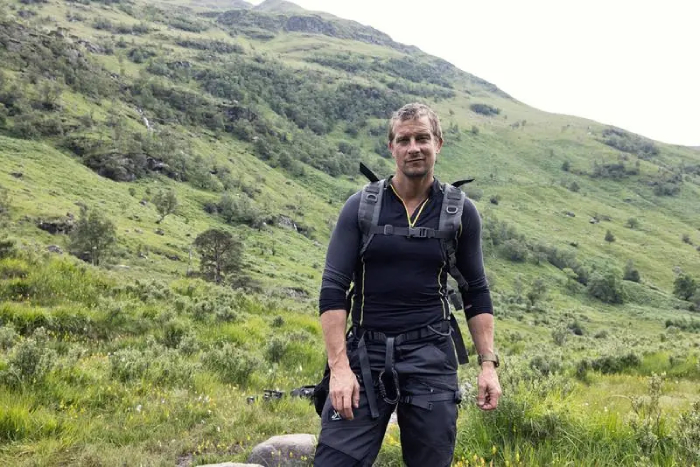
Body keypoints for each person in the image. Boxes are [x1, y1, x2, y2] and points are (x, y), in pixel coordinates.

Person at [314, 103, 501, 466]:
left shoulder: (460, 212)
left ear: (439, 144)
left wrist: (487, 365)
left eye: (422, 138)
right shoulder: (361, 207)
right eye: (404, 139)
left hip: (430, 354)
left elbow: (475, 292)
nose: (413, 147)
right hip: (364, 353)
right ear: (392, 147)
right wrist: (339, 368)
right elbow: (333, 289)